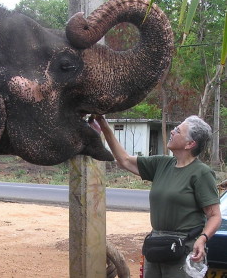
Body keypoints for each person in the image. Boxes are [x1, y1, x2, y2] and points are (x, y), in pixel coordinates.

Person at [93, 115, 221, 278]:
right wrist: (103, 125)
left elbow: (214, 215)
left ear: (190, 144)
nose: (173, 132)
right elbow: (124, 160)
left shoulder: (201, 173)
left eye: (178, 131)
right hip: (156, 245)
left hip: (184, 249)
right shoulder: (162, 164)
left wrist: (202, 239)